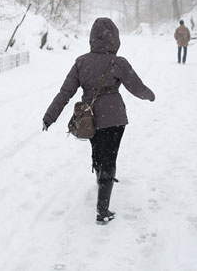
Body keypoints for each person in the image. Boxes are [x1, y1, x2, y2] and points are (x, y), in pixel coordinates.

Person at [42, 17, 155, 225]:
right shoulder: (118, 62)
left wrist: (50, 117)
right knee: (110, 158)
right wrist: (150, 95)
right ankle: (102, 209)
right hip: (115, 117)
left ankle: (101, 181)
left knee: (98, 151)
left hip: (91, 117)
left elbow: (65, 93)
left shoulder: (81, 62)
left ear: (93, 38)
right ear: (114, 38)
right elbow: (136, 87)